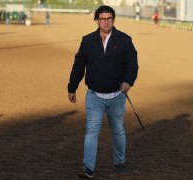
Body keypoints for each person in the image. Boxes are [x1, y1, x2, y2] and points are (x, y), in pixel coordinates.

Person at [67, 5, 139, 179]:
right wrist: (72, 87)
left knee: (119, 132)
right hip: (94, 97)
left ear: (113, 20)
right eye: (102, 19)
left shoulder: (124, 40)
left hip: (117, 97)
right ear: (97, 20)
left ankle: (119, 163)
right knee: (91, 132)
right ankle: (88, 168)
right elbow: (79, 66)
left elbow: (132, 64)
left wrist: (128, 81)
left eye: (109, 19)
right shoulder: (87, 41)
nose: (106, 22)